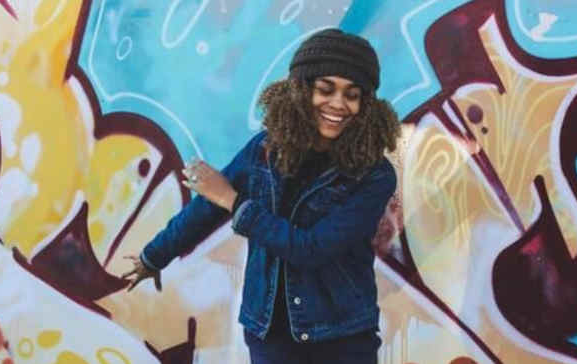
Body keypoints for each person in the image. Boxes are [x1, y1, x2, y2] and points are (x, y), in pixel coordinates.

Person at [121, 28, 401, 364]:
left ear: (366, 104)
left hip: (341, 335)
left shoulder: (374, 174)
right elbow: (206, 207)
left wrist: (236, 203)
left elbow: (312, 248)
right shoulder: (264, 151)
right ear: (300, 90)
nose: (338, 104)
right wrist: (154, 257)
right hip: (270, 333)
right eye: (325, 89)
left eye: (352, 94)